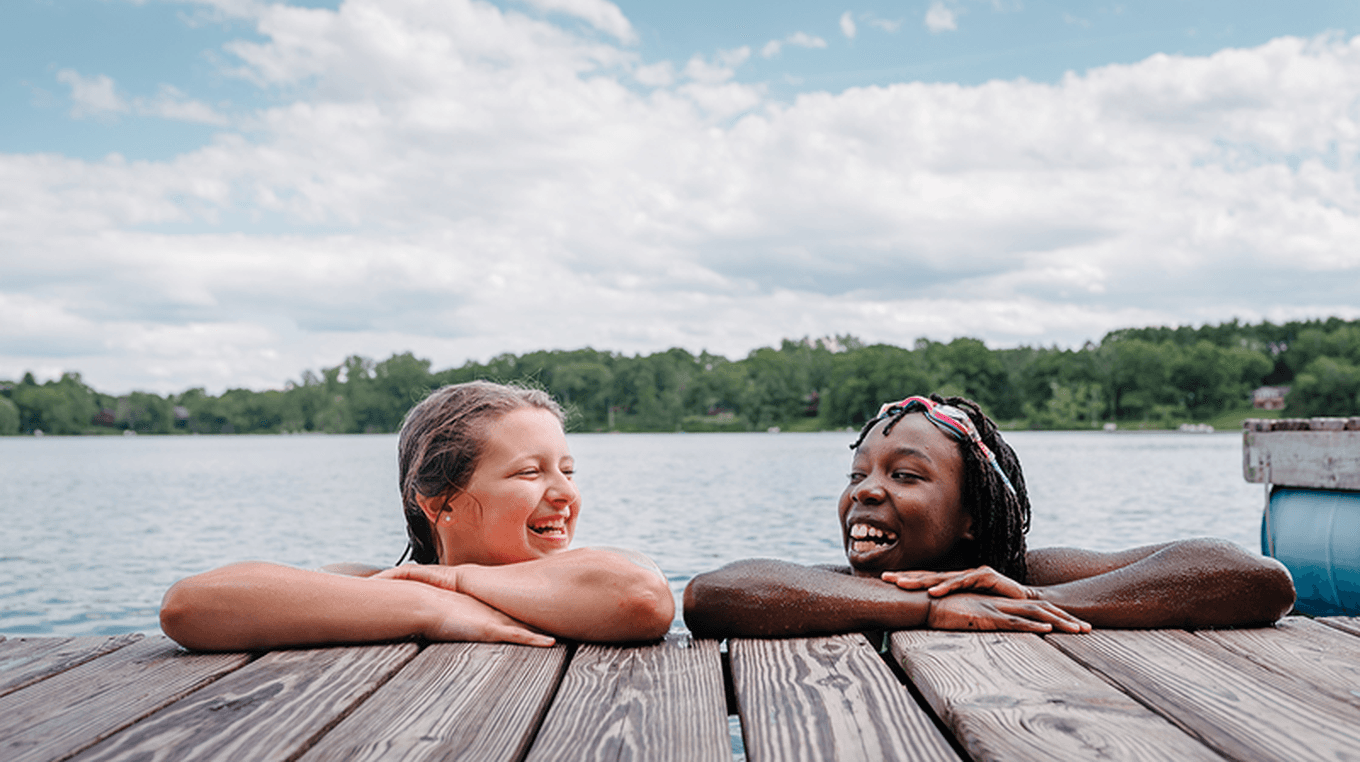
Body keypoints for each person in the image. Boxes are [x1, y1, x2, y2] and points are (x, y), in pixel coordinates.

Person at [683, 394, 1295, 638]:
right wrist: (929, 609)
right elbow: (711, 595)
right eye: (857, 475)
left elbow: (1257, 578)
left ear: (973, 516)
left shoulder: (1022, 571)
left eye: (904, 475)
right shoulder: (842, 587)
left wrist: (1028, 604)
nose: (866, 492)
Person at [161, 382, 674, 651]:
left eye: (567, 469)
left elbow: (642, 599)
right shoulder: (381, 587)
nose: (564, 492)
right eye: (528, 473)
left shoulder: (592, 575)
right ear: (440, 503)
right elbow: (188, 606)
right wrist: (433, 608)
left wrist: (453, 578)